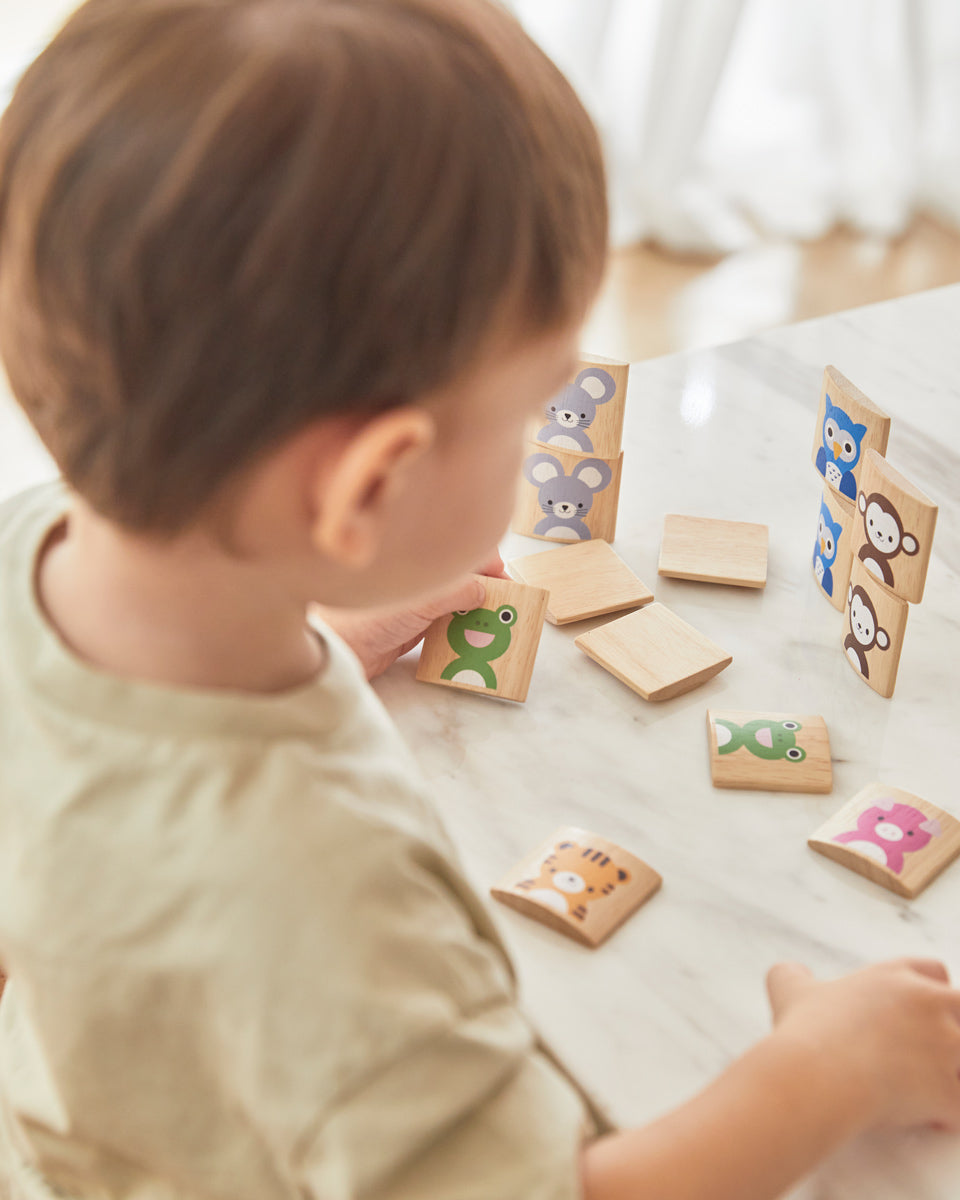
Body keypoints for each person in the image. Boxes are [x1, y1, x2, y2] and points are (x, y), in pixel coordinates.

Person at [0, 1, 958, 1197]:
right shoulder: (333, 905)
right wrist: (828, 1072)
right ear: (370, 488)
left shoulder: (33, 548)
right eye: (528, 415)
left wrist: (321, 640)